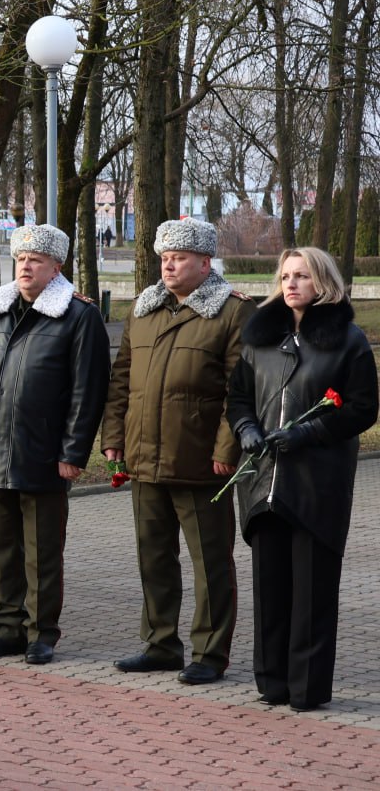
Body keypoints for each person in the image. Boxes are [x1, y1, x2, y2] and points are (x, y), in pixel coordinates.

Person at [101, 218, 254, 685]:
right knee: (154, 556)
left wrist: (226, 449)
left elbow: (240, 391)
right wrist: (113, 437)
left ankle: (209, 652)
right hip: (145, 459)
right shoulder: (144, 310)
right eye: (165, 257)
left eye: (180, 257)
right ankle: (160, 644)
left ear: (205, 263)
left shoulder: (232, 313)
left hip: (201, 462)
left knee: (210, 563)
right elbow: (122, 379)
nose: (169, 264)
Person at [226, 247, 378, 712]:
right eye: (285, 276)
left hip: (316, 484)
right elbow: (238, 397)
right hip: (262, 482)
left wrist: (309, 431)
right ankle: (272, 682)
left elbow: (362, 409)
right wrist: (248, 429)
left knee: (312, 591)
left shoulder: (347, 340)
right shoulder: (260, 338)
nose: (291, 284)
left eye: (302, 276)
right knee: (270, 589)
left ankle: (307, 689)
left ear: (323, 283)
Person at [0, 223, 109, 665]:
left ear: (56, 267)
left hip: (44, 454)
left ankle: (41, 632)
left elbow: (88, 391)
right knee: (2, 549)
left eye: (35, 261)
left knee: (41, 552)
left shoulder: (78, 316)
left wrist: (73, 452)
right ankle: (6, 627)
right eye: (21, 259)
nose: (25, 267)